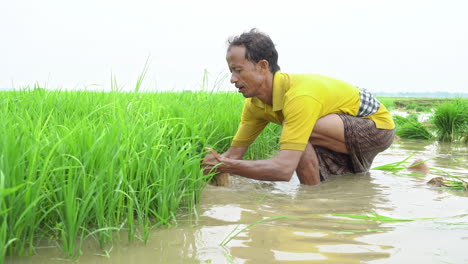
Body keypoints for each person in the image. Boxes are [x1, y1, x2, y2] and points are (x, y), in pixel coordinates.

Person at [202, 28, 395, 185]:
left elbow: (284, 169)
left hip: (375, 125)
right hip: (338, 128)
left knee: (295, 135)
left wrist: (226, 166)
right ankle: (313, 199)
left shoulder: (299, 96)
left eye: (238, 70)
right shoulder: (254, 105)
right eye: (230, 71)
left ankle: (310, 201)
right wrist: (206, 167)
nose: (232, 79)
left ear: (262, 66)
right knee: (298, 138)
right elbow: (233, 155)